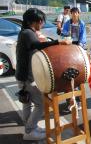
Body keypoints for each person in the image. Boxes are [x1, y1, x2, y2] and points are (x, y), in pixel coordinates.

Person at [15, 8, 71, 141]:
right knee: (40, 104)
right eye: (41, 21)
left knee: (27, 103)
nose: (42, 23)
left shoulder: (25, 32)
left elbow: (35, 45)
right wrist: (58, 42)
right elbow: (37, 45)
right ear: (34, 21)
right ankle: (29, 131)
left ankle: (30, 128)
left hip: (22, 75)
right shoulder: (28, 33)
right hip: (26, 77)